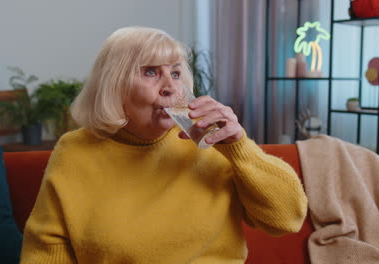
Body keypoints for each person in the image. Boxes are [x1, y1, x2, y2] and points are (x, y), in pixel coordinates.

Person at [19, 26, 308, 263]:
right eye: (150, 72)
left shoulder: (210, 141)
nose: (170, 87)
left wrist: (239, 146)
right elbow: (47, 248)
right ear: (114, 84)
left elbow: (286, 219)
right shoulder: (75, 151)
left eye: (176, 72)